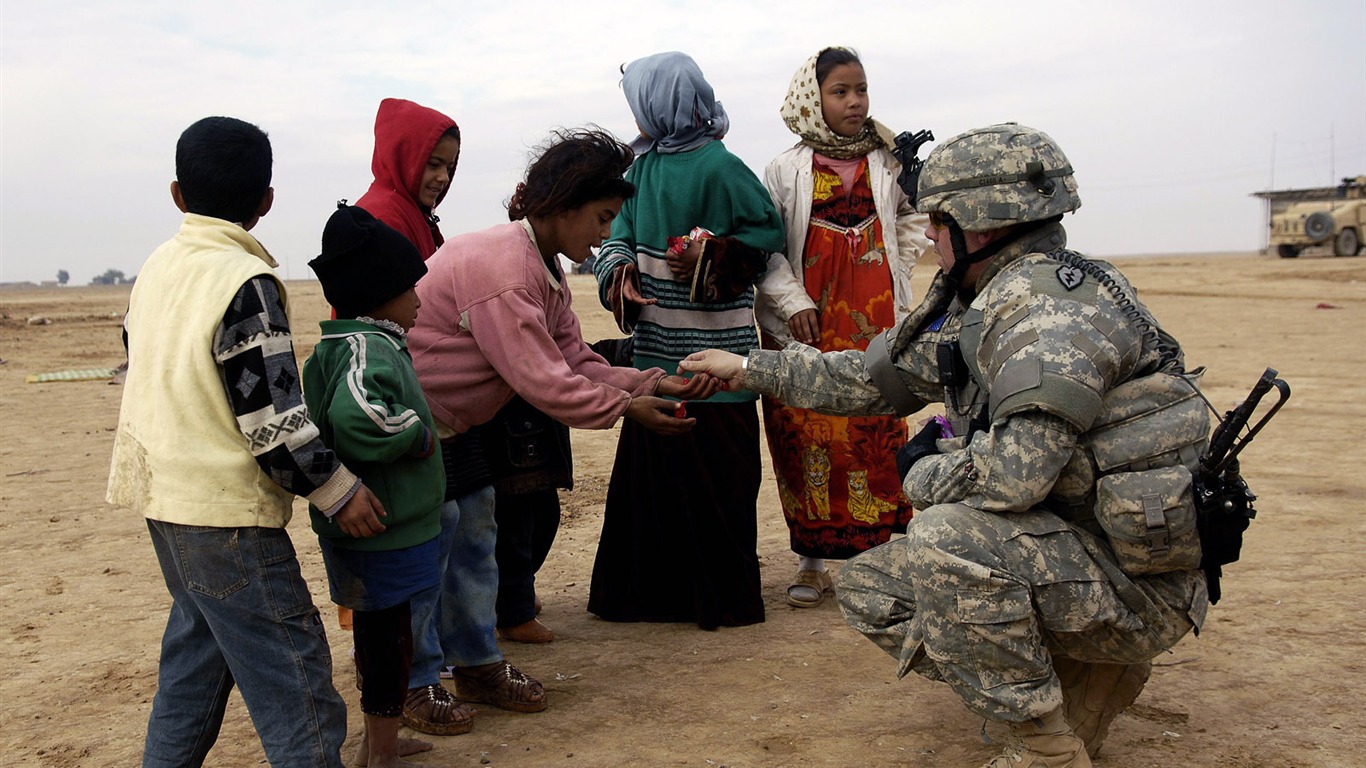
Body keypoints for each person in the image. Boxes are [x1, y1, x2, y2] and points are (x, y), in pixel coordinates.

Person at [681, 123, 1209, 767]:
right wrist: (749, 370)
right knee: (875, 584)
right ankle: (1080, 683)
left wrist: (921, 472)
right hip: (1079, 552)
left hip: (1135, 588)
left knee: (946, 537)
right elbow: (873, 380)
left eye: (938, 220)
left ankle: (1043, 744)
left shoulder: (1049, 318)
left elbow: (1015, 479)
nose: (928, 234)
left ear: (980, 224)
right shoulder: (1001, 296)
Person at [107, 116, 387, 768]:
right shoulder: (245, 282)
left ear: (178, 194)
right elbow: (271, 419)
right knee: (299, 690)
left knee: (194, 670)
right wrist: (337, 489)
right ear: (266, 201)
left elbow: (138, 353)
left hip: (164, 503)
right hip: (225, 519)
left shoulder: (157, 265)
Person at [408, 128, 718, 714]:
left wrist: (653, 383)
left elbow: (574, 360)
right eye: (601, 219)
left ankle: (475, 666)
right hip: (415, 428)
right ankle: (415, 683)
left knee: (475, 539)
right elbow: (541, 379)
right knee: (429, 554)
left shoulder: (539, 265)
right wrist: (629, 408)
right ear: (563, 206)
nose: (606, 235)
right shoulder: (505, 270)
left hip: (456, 428)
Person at [586, 51, 786, 630]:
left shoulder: (723, 167)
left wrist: (712, 253)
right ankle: (651, 598)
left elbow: (766, 233)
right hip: (656, 359)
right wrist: (620, 273)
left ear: (661, 103)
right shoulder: (638, 171)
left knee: (715, 482)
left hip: (720, 361)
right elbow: (615, 238)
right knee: (659, 486)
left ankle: (717, 600)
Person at [755, 46, 930, 608]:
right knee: (806, 428)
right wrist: (790, 299)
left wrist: (897, 267)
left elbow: (912, 218)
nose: (854, 102)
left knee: (875, 430)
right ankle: (810, 564)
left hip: (874, 315)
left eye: (861, 90)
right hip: (808, 318)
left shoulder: (890, 160)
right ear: (814, 98)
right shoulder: (785, 168)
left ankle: (883, 562)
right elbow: (768, 247)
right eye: (840, 92)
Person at [304, 204, 446, 767]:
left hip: (378, 529)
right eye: (410, 288)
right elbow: (361, 417)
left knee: (381, 638)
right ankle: (382, 754)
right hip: (383, 529)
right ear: (381, 291)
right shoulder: (368, 348)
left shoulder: (347, 346)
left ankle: (377, 744)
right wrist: (414, 432)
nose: (418, 299)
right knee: (388, 642)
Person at [349, 96, 473, 736]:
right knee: (420, 541)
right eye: (431, 163)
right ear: (402, 156)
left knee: (448, 531)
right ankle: (412, 681)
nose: (441, 178)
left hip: (426, 403)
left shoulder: (419, 220)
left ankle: (430, 666)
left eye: (450, 167)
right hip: (400, 405)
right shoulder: (381, 220)